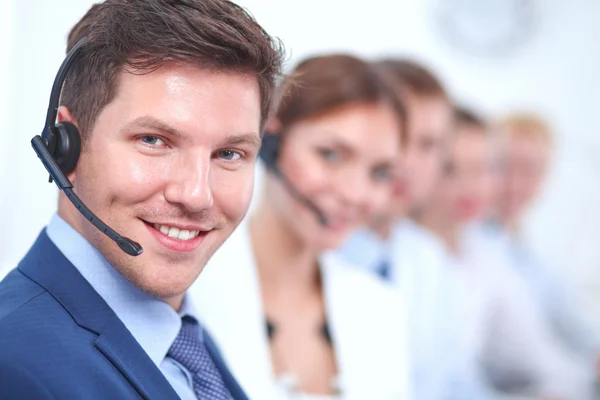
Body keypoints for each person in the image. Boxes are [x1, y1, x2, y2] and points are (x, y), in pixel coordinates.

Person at [0, 0, 284, 399]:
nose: (196, 195)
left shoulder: (185, 340)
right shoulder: (12, 365)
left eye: (229, 154)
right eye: (154, 141)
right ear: (63, 148)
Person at [189, 54, 409, 400]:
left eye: (379, 172)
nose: (355, 193)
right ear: (270, 140)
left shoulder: (380, 308)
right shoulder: (188, 290)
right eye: (331, 155)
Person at [418, 107, 594, 399]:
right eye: (451, 169)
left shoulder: (486, 253)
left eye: (481, 169)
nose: (469, 186)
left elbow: (534, 347)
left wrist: (575, 382)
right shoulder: (416, 252)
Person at [492, 113, 600, 387]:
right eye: (504, 166)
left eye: (530, 169)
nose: (514, 182)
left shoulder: (538, 255)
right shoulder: (473, 246)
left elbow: (576, 323)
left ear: (546, 176)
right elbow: (526, 351)